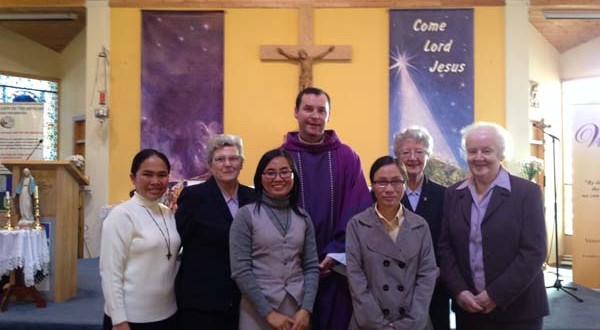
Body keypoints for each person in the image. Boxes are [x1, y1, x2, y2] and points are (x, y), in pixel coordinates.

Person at [438, 122, 549, 330]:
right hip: (469, 309)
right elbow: (445, 248)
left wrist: (495, 295)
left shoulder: (527, 193)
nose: (479, 157)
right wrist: (460, 291)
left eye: (487, 151)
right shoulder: (453, 194)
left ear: (502, 153)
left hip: (518, 311)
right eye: (472, 151)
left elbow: (534, 251)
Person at [281, 87, 373, 330]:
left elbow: (360, 208)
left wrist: (334, 255)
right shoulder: (281, 158)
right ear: (296, 113)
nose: (315, 115)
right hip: (292, 270)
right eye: (308, 109)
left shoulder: (347, 157)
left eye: (321, 110)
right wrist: (302, 257)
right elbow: (271, 213)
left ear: (328, 116)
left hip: (337, 271)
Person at [229, 149, 319, 330]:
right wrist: (268, 314)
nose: (278, 178)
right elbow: (241, 271)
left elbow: (311, 267)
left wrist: (306, 309)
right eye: (270, 172)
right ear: (260, 178)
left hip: (297, 312)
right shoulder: (245, 216)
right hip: (257, 311)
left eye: (285, 172)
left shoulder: (303, 217)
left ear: (294, 176)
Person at [175, 134, 256, 330]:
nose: (227, 164)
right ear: (210, 165)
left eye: (233, 158)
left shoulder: (254, 197)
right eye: (220, 159)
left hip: (244, 299)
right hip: (203, 302)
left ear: (242, 163)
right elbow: (176, 241)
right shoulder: (194, 197)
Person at [346, 156, 437, 330]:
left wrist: (409, 323)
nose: (389, 189)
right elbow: (356, 282)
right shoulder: (357, 225)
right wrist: (378, 325)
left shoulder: (420, 225)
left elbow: (426, 277)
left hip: (414, 323)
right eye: (381, 182)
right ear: (372, 186)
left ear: (405, 184)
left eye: (396, 181)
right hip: (369, 323)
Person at [100, 149, 181, 330]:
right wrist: (119, 320)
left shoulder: (167, 213)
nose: (155, 181)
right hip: (131, 319)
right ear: (133, 177)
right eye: (147, 174)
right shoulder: (121, 216)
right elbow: (110, 272)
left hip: (168, 313)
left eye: (162, 175)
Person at [394, 126, 450, 330]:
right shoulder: (385, 195)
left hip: (434, 283)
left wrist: (439, 270)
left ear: (428, 156)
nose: (412, 158)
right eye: (406, 152)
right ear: (397, 156)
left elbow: (449, 239)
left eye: (419, 152)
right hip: (396, 283)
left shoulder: (444, 195)